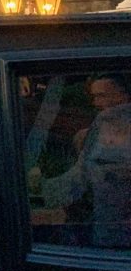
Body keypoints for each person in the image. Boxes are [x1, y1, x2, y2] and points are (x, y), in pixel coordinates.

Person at [42, 75, 131, 248]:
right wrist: (39, 191)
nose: (96, 103)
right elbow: (79, 177)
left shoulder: (105, 126)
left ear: (124, 95)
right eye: (94, 97)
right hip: (107, 235)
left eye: (102, 95)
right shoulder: (96, 130)